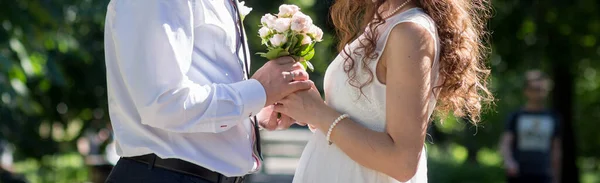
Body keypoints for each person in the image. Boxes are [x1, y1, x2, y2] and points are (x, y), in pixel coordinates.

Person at [273, 0, 493, 182]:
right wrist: (307, 110)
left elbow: (402, 163)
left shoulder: (410, 31)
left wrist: (318, 113)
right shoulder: (383, 19)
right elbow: (361, 117)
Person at [103, 0, 312, 182]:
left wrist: (255, 111)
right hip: (164, 176)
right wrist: (258, 91)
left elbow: (198, 85)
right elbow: (163, 103)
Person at [500, 70, 562, 183]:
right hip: (518, 174)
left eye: (541, 90)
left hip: (544, 174)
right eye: (534, 89)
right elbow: (506, 143)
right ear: (526, 91)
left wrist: (556, 175)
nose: (537, 94)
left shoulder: (552, 117)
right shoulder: (516, 116)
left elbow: (556, 149)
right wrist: (509, 162)